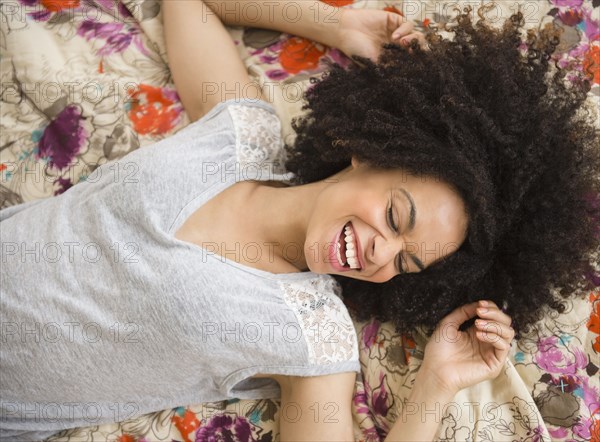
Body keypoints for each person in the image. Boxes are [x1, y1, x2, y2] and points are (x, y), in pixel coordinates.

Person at [1, 0, 597, 441]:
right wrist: (336, 25)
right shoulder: (241, 131)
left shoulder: (312, 340)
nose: (380, 254)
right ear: (370, 150)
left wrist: (436, 385)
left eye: (406, 261)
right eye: (395, 216)